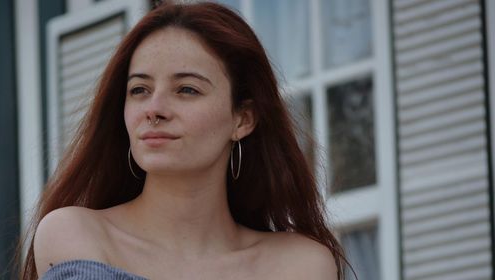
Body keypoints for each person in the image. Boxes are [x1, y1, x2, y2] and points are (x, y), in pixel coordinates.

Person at [20, 1, 348, 279]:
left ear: (243, 119)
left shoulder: (300, 264)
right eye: (139, 90)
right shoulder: (77, 234)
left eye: (187, 89)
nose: (154, 109)